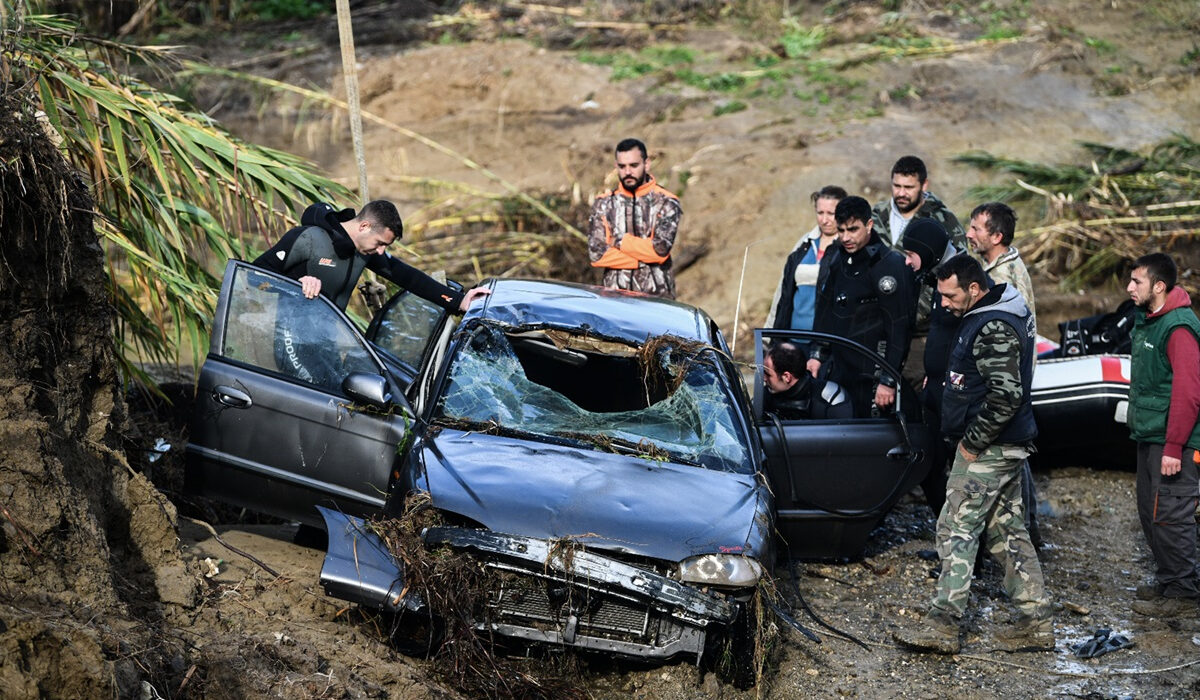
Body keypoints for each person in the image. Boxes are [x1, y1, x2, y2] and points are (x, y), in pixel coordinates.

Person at [894, 254, 1053, 654]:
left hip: (991, 448)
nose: (943, 304)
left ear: (975, 289)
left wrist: (972, 441)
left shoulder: (994, 325)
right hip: (1004, 445)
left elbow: (1007, 395)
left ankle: (943, 625)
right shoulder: (990, 312)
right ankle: (1036, 624)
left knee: (956, 528)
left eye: (949, 296)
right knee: (1007, 533)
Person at [1125, 253, 1200, 617]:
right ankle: (1170, 579)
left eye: (1136, 282)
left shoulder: (1179, 328)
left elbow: (1188, 393)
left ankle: (1183, 594)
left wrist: (1174, 447)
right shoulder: (1148, 320)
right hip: (1150, 434)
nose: (1129, 288)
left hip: (1176, 443)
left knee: (1171, 513)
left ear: (1158, 286)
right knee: (1149, 510)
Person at [254, 200, 490, 312]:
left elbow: (408, 277)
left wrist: (460, 300)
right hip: (290, 337)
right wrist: (296, 283)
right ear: (364, 226)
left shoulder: (363, 251)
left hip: (325, 338)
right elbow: (254, 276)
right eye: (380, 243)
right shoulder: (309, 238)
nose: (381, 252)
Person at [807, 196, 913, 417]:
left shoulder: (889, 266)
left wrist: (887, 380)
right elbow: (826, 310)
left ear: (869, 225)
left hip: (872, 375)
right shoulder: (838, 258)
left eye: (853, 230)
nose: (846, 237)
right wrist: (817, 354)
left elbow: (899, 328)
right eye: (841, 230)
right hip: (839, 370)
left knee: (871, 442)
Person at [900, 217, 956, 516]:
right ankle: (951, 545)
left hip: (953, 397)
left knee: (942, 469)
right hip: (934, 388)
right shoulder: (936, 278)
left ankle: (971, 555)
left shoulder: (957, 282)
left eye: (911, 254)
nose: (907, 262)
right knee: (930, 468)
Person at [588, 138, 682, 298]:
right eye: (622, 166)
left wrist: (619, 242)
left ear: (647, 164)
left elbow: (659, 252)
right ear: (616, 166)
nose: (628, 172)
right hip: (614, 300)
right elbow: (596, 255)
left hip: (658, 301)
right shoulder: (603, 203)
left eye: (634, 165)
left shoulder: (667, 202)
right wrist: (640, 260)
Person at [765, 185, 848, 330]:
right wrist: (768, 333)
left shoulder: (848, 247)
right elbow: (783, 292)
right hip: (793, 340)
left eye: (831, 213)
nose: (824, 220)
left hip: (829, 342)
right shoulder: (804, 244)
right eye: (820, 213)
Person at [871, 155, 967, 252]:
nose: (901, 193)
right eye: (897, 186)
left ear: (924, 185)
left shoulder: (944, 220)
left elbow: (960, 260)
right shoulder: (876, 214)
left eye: (908, 187)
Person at [966, 202, 1037, 332]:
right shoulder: (1000, 265)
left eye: (976, 229)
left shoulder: (1003, 278)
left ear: (996, 237)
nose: (969, 234)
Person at [763, 340, 852, 420]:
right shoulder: (766, 395)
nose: (763, 378)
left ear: (787, 377)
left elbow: (844, 436)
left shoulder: (829, 399)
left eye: (767, 374)